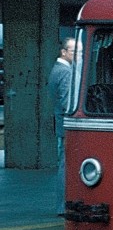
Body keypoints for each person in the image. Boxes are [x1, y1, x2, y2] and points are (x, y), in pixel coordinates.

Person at [49, 37, 77, 215]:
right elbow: (68, 103)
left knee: (64, 164)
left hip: (59, 124)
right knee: (66, 166)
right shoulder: (66, 72)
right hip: (67, 126)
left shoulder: (55, 70)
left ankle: (62, 205)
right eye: (74, 51)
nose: (77, 55)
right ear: (64, 52)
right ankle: (63, 205)